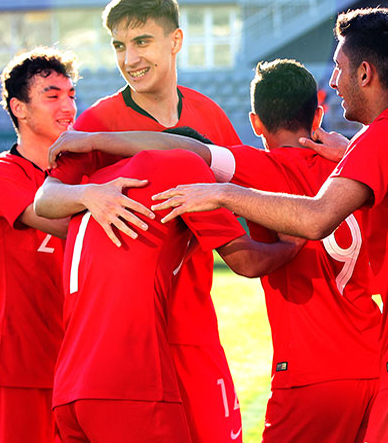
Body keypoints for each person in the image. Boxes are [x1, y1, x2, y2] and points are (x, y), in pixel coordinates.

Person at [151, 8, 388, 442]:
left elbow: (315, 219)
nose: (334, 82)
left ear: (366, 73)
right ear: (315, 117)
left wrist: (221, 194)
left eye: (339, 67)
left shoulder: (379, 139)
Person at [45, 58, 382, 442]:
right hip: (377, 364)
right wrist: (355, 146)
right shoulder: (362, 170)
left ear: (255, 123)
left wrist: (93, 139)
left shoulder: (260, 166)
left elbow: (189, 150)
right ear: (319, 114)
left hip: (310, 374)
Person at [34, 146, 299, 442]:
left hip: (70, 389)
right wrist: (292, 244)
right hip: (132, 385)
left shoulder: (100, 180)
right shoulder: (183, 165)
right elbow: (248, 261)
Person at [74, 0, 243, 442]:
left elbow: (251, 189)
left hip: (194, 325)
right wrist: (90, 196)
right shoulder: (96, 121)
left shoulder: (210, 117)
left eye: (142, 42)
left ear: (176, 41)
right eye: (119, 46)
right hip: (124, 342)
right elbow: (45, 200)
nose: (129, 59)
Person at [0, 48, 77, 442]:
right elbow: (58, 221)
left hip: (84, 366)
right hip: (25, 369)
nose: (67, 107)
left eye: (71, 95)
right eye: (52, 96)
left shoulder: (84, 176)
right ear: (20, 108)